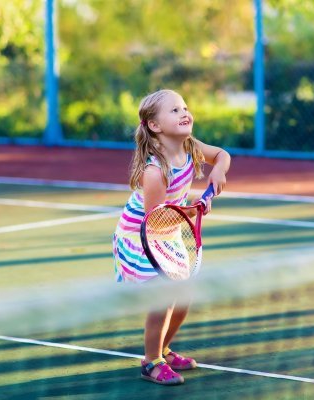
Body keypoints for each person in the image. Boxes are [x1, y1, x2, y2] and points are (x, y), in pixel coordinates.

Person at [112, 89, 230, 385]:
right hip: (140, 237)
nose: (185, 113)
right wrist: (194, 211)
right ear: (154, 125)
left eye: (185, 107)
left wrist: (218, 172)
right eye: (175, 110)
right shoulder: (154, 172)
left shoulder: (190, 147)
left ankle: (163, 348)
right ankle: (151, 361)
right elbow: (157, 218)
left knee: (184, 297)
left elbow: (222, 155)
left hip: (169, 233)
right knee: (162, 297)